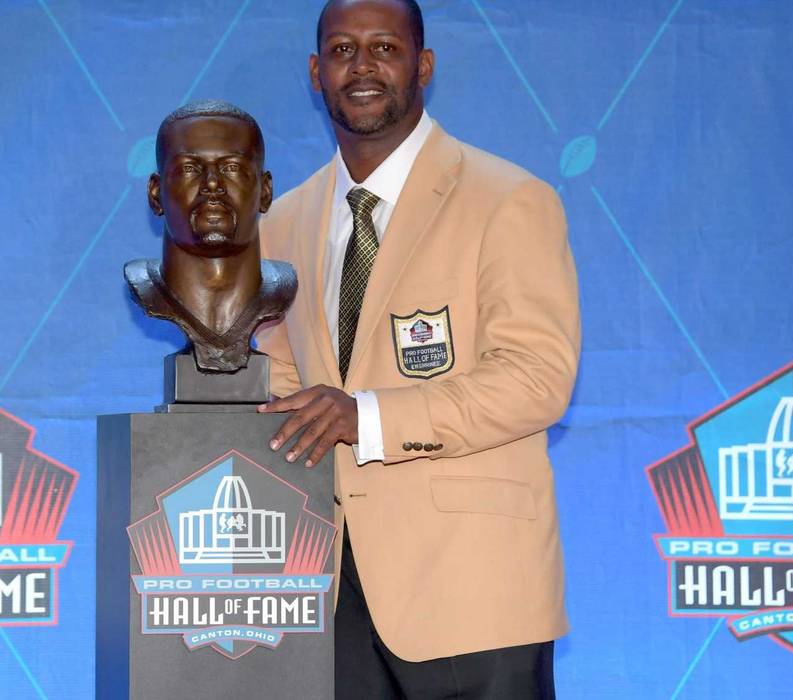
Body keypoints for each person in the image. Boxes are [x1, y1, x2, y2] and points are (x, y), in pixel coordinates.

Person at [255, 1, 580, 697]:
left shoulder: (508, 199)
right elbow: (281, 375)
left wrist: (367, 417)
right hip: (328, 599)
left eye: (384, 48)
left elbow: (536, 379)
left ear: (423, 66)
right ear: (315, 73)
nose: (362, 66)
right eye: (342, 50)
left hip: (474, 594)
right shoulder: (283, 221)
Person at [126, 100, 296, 372]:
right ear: (156, 194)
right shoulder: (145, 285)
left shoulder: (282, 287)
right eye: (190, 169)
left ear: (265, 192)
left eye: (231, 168)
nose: (212, 185)